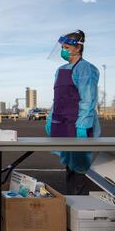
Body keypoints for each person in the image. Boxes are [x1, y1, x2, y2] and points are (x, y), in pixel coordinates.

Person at [45, 30, 100, 195]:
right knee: (69, 165)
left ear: (78, 48)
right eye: (62, 47)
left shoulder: (85, 69)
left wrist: (83, 124)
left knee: (80, 168)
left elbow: (88, 99)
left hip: (78, 125)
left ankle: (80, 208)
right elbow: (58, 98)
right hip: (62, 124)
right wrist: (50, 118)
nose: (63, 50)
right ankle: (70, 204)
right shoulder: (60, 70)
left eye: (67, 47)